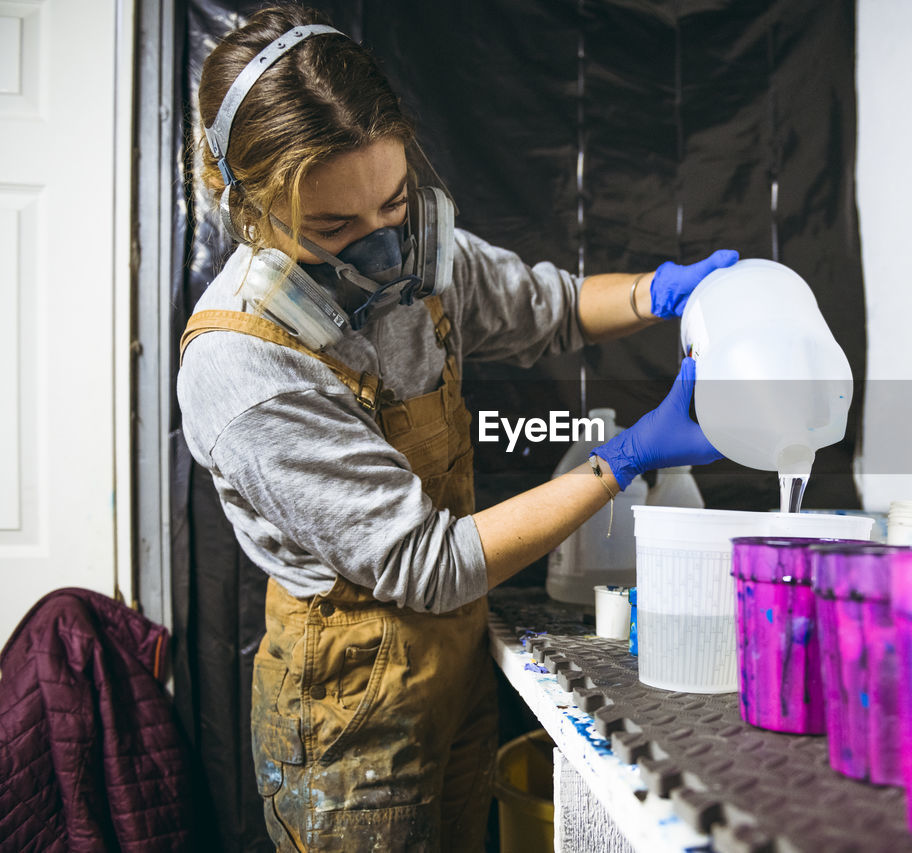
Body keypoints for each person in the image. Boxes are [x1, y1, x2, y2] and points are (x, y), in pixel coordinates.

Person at [177, 6, 736, 852]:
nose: (383, 247)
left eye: (395, 202)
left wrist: (659, 292)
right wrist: (626, 456)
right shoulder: (242, 366)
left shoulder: (417, 257)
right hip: (347, 706)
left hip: (456, 658)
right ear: (246, 203)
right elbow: (427, 563)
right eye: (335, 229)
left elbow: (547, 308)